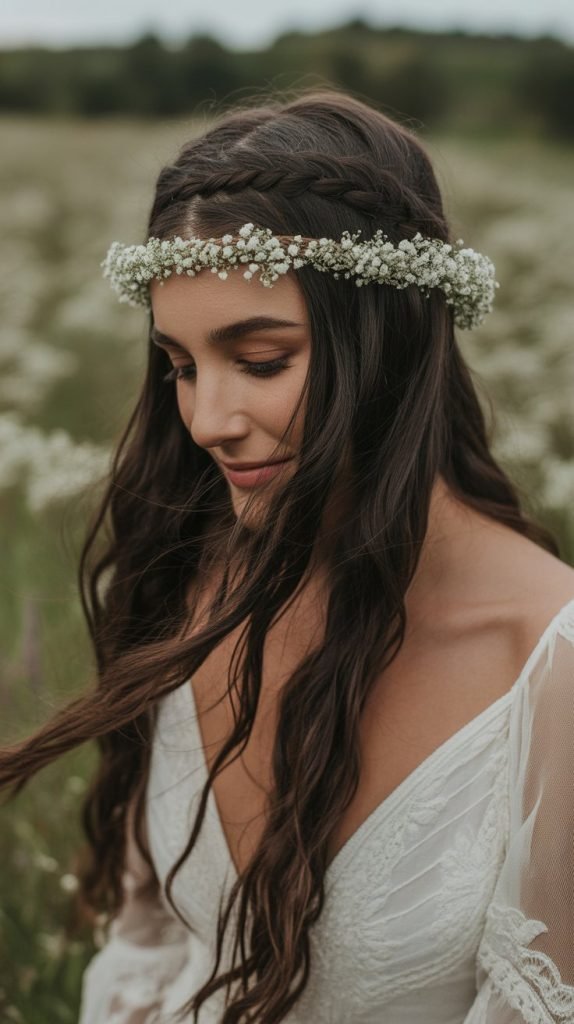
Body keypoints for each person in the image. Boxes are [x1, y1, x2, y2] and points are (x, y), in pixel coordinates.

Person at [2, 88, 574, 1024]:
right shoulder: (188, 580)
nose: (207, 422)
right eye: (182, 367)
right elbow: (147, 946)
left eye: (262, 361)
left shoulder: (550, 670)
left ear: (392, 338)